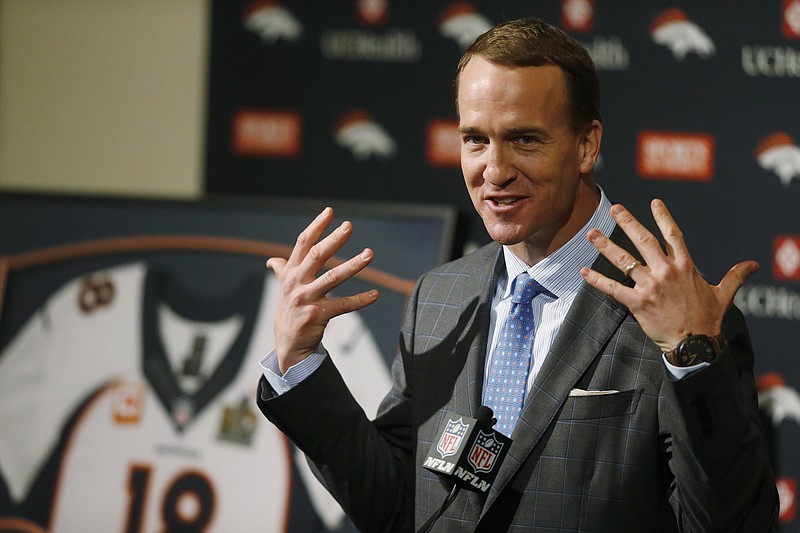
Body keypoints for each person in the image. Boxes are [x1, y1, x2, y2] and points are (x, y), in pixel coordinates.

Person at [256, 17, 778, 532]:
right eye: (475, 140)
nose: (495, 171)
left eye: (525, 140)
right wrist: (300, 364)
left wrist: (692, 359)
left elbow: (734, 523)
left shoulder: (681, 317)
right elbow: (396, 507)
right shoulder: (441, 296)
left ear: (586, 146)